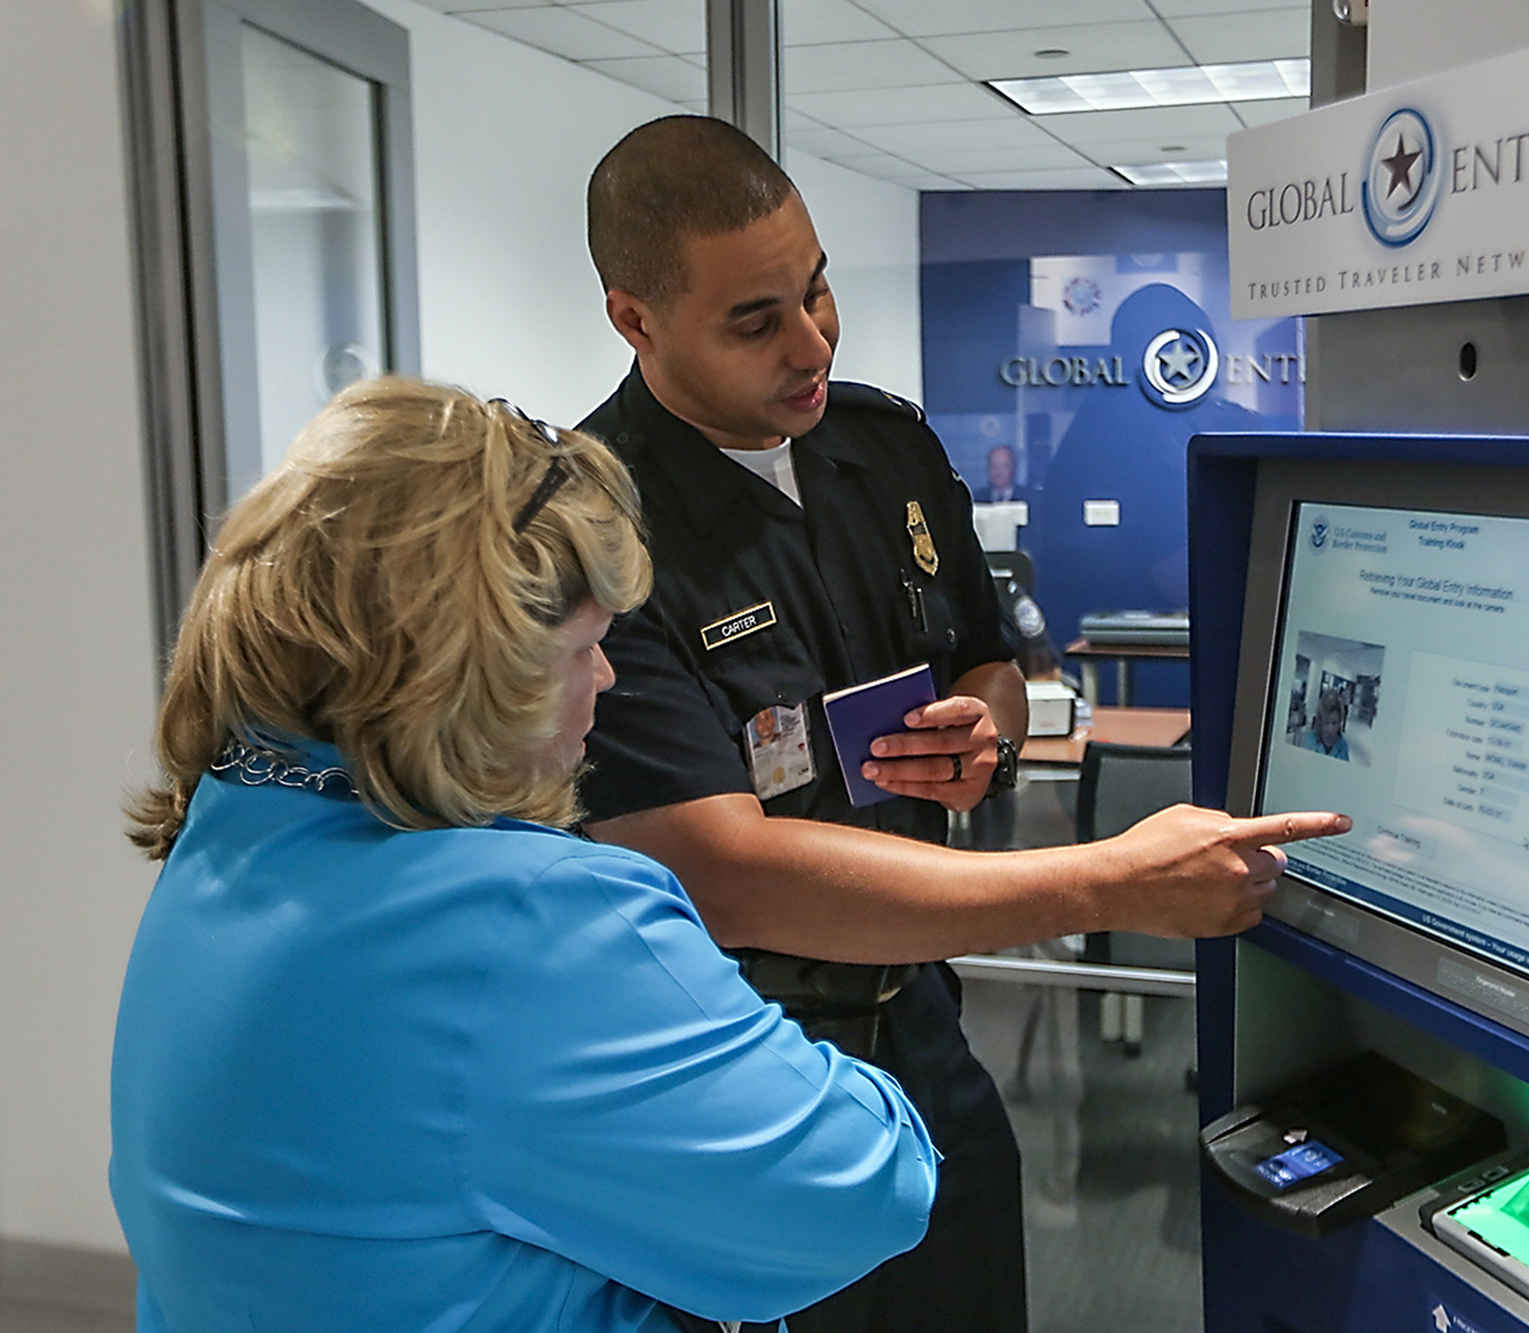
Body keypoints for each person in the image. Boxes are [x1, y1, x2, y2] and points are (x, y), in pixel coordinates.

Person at [574, 116, 1351, 1333]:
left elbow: (986, 657)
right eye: (754, 319)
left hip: (919, 1024)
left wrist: (977, 732)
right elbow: (722, 872)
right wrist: (1103, 883)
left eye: (818, 291)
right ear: (635, 319)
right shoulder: (594, 530)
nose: (810, 341)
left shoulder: (879, 447)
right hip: (726, 1059)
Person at [110, 379, 939, 1333]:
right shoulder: (524, 920)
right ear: (476, 668)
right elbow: (868, 1187)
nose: (606, 675)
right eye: (585, 642)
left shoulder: (227, 819)